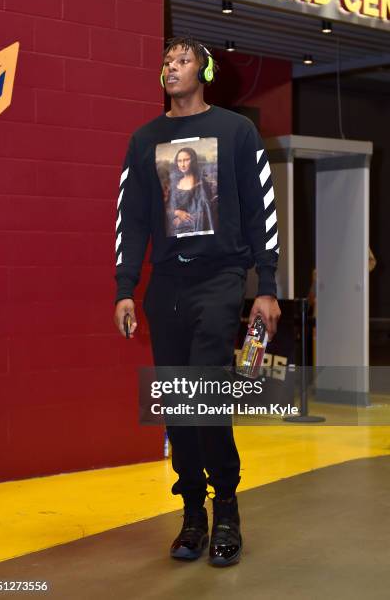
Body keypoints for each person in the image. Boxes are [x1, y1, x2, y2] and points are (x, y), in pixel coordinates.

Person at [113, 36, 281, 567]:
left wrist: (268, 286)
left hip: (220, 278)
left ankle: (226, 507)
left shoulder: (236, 131)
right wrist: (124, 289)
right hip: (166, 285)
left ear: (202, 70)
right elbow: (132, 219)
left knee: (205, 393)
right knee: (178, 403)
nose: (170, 67)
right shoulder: (145, 140)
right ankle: (191, 514)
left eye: (182, 60)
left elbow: (261, 211)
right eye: (166, 61)